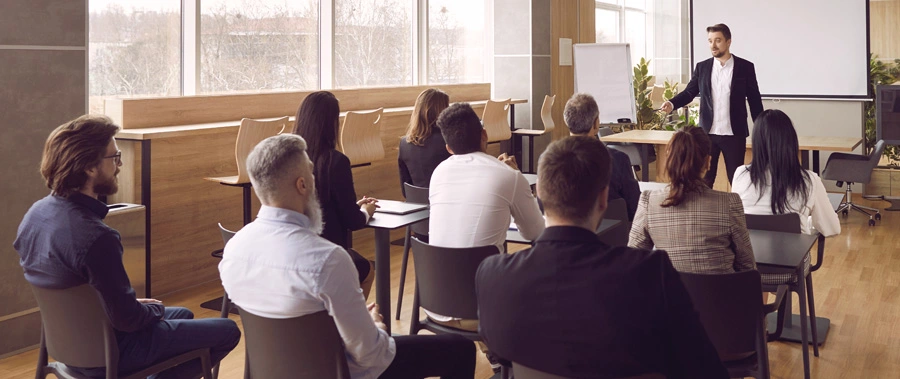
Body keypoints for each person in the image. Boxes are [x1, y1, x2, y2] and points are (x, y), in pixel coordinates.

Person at [219, 134, 475, 379]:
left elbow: (289, 317)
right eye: (311, 172)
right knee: (460, 350)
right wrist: (376, 326)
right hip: (341, 372)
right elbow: (371, 355)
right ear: (302, 184)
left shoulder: (234, 250)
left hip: (274, 372)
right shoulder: (327, 260)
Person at [475, 136, 728, 378]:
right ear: (604, 198)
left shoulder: (493, 277)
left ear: (538, 191)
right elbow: (705, 369)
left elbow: (502, 354)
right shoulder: (651, 274)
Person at [15, 115, 240, 378]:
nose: (119, 165)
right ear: (89, 167)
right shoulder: (97, 237)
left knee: (184, 313)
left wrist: (131, 305)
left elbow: (85, 295)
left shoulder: (36, 214)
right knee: (227, 331)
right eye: (114, 157)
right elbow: (128, 320)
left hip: (67, 344)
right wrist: (146, 309)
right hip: (109, 353)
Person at [428, 102, 545, 371]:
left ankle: (496, 357)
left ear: (448, 148)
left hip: (434, 302)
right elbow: (535, 233)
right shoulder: (508, 176)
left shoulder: (438, 173)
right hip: (484, 311)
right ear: (484, 134)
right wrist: (515, 178)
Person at [732, 109, 841, 283]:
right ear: (791, 141)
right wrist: (807, 223)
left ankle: (761, 309)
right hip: (791, 268)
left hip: (748, 267)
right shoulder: (809, 180)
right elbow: (832, 228)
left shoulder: (740, 175)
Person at [628, 127, 756, 274]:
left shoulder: (649, 202)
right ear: (708, 162)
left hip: (669, 296)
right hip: (720, 295)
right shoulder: (729, 203)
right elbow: (747, 267)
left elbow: (632, 262)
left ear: (670, 159)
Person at [293, 91, 376, 297]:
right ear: (331, 123)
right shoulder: (335, 161)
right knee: (367, 268)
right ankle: (346, 325)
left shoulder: (289, 159)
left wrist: (351, 204)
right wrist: (366, 210)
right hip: (328, 258)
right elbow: (353, 221)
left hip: (294, 257)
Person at [663, 23, 763, 188]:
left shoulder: (745, 67)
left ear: (728, 41)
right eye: (710, 41)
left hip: (734, 135)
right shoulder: (702, 67)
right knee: (705, 181)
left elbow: (754, 100)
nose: (713, 45)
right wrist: (672, 103)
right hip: (707, 135)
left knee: (736, 181)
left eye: (717, 40)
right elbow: (689, 92)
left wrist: (761, 129)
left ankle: (739, 212)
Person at [564, 93, 640, 220]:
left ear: (567, 122)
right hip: (613, 236)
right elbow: (635, 208)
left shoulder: (550, 160)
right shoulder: (617, 160)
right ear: (596, 124)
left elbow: (543, 207)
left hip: (565, 236)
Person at [398, 88, 452, 196]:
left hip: (416, 205)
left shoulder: (404, 143)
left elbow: (405, 190)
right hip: (447, 203)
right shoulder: (450, 142)